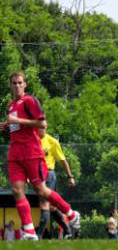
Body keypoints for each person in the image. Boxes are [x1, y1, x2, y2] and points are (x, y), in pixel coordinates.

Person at [0, 72, 80, 241]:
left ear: (25, 84)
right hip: (15, 154)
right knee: (16, 190)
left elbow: (42, 125)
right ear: (10, 85)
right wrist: (6, 126)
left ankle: (71, 213)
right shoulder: (11, 105)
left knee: (42, 191)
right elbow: (15, 125)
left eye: (19, 82)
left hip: (32, 152)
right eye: (13, 83)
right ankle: (29, 231)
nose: (16, 85)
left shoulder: (30, 101)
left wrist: (18, 121)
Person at [37, 124, 78, 239]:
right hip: (37, 176)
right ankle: (68, 230)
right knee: (52, 207)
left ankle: (38, 235)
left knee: (44, 204)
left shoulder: (52, 141)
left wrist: (70, 176)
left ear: (46, 126)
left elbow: (63, 160)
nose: (40, 128)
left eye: (42, 126)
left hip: (48, 175)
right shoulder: (32, 140)